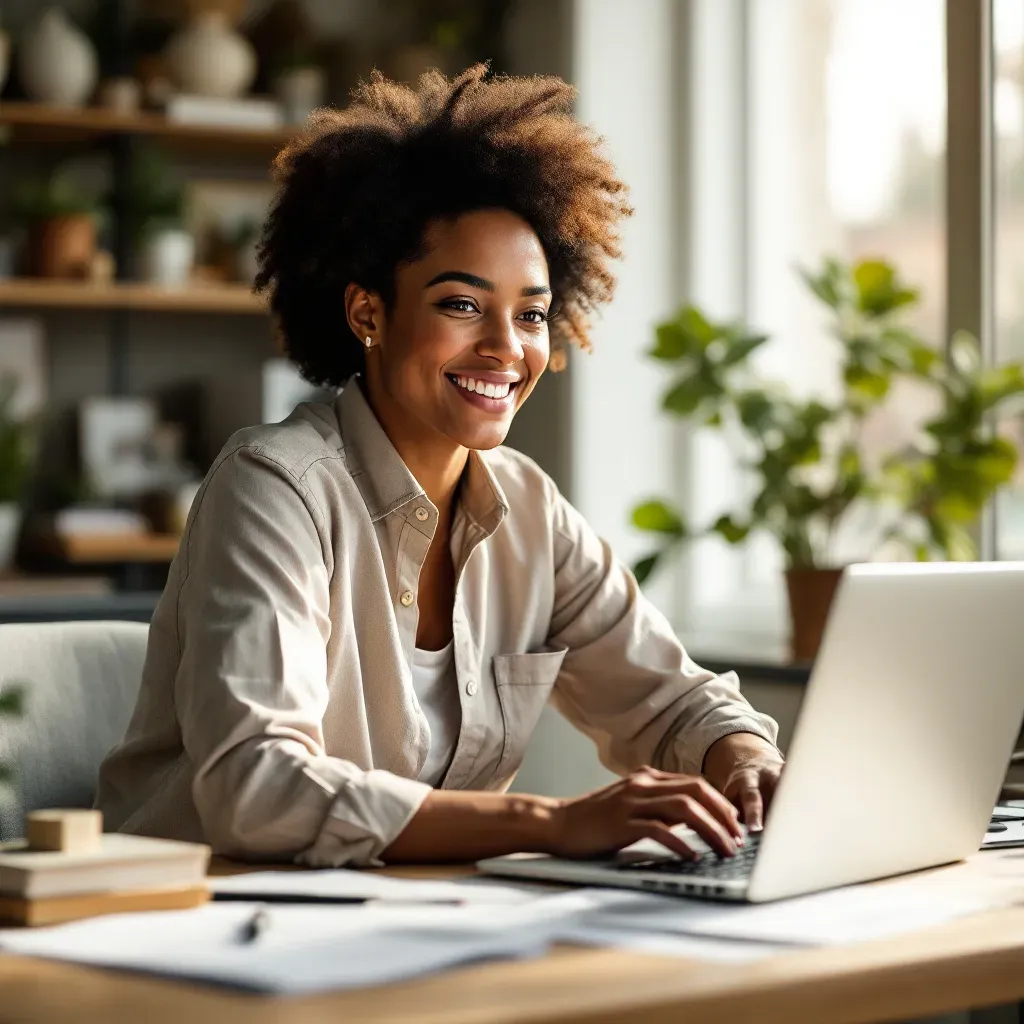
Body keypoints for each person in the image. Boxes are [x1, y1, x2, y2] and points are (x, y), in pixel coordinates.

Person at [97, 65, 782, 868]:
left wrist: (745, 759)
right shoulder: (274, 487)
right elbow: (255, 785)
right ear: (369, 312)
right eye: (462, 305)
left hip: (425, 913)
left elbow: (671, 701)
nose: (506, 348)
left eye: (531, 314)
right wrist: (547, 822)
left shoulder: (529, 511)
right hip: (206, 914)